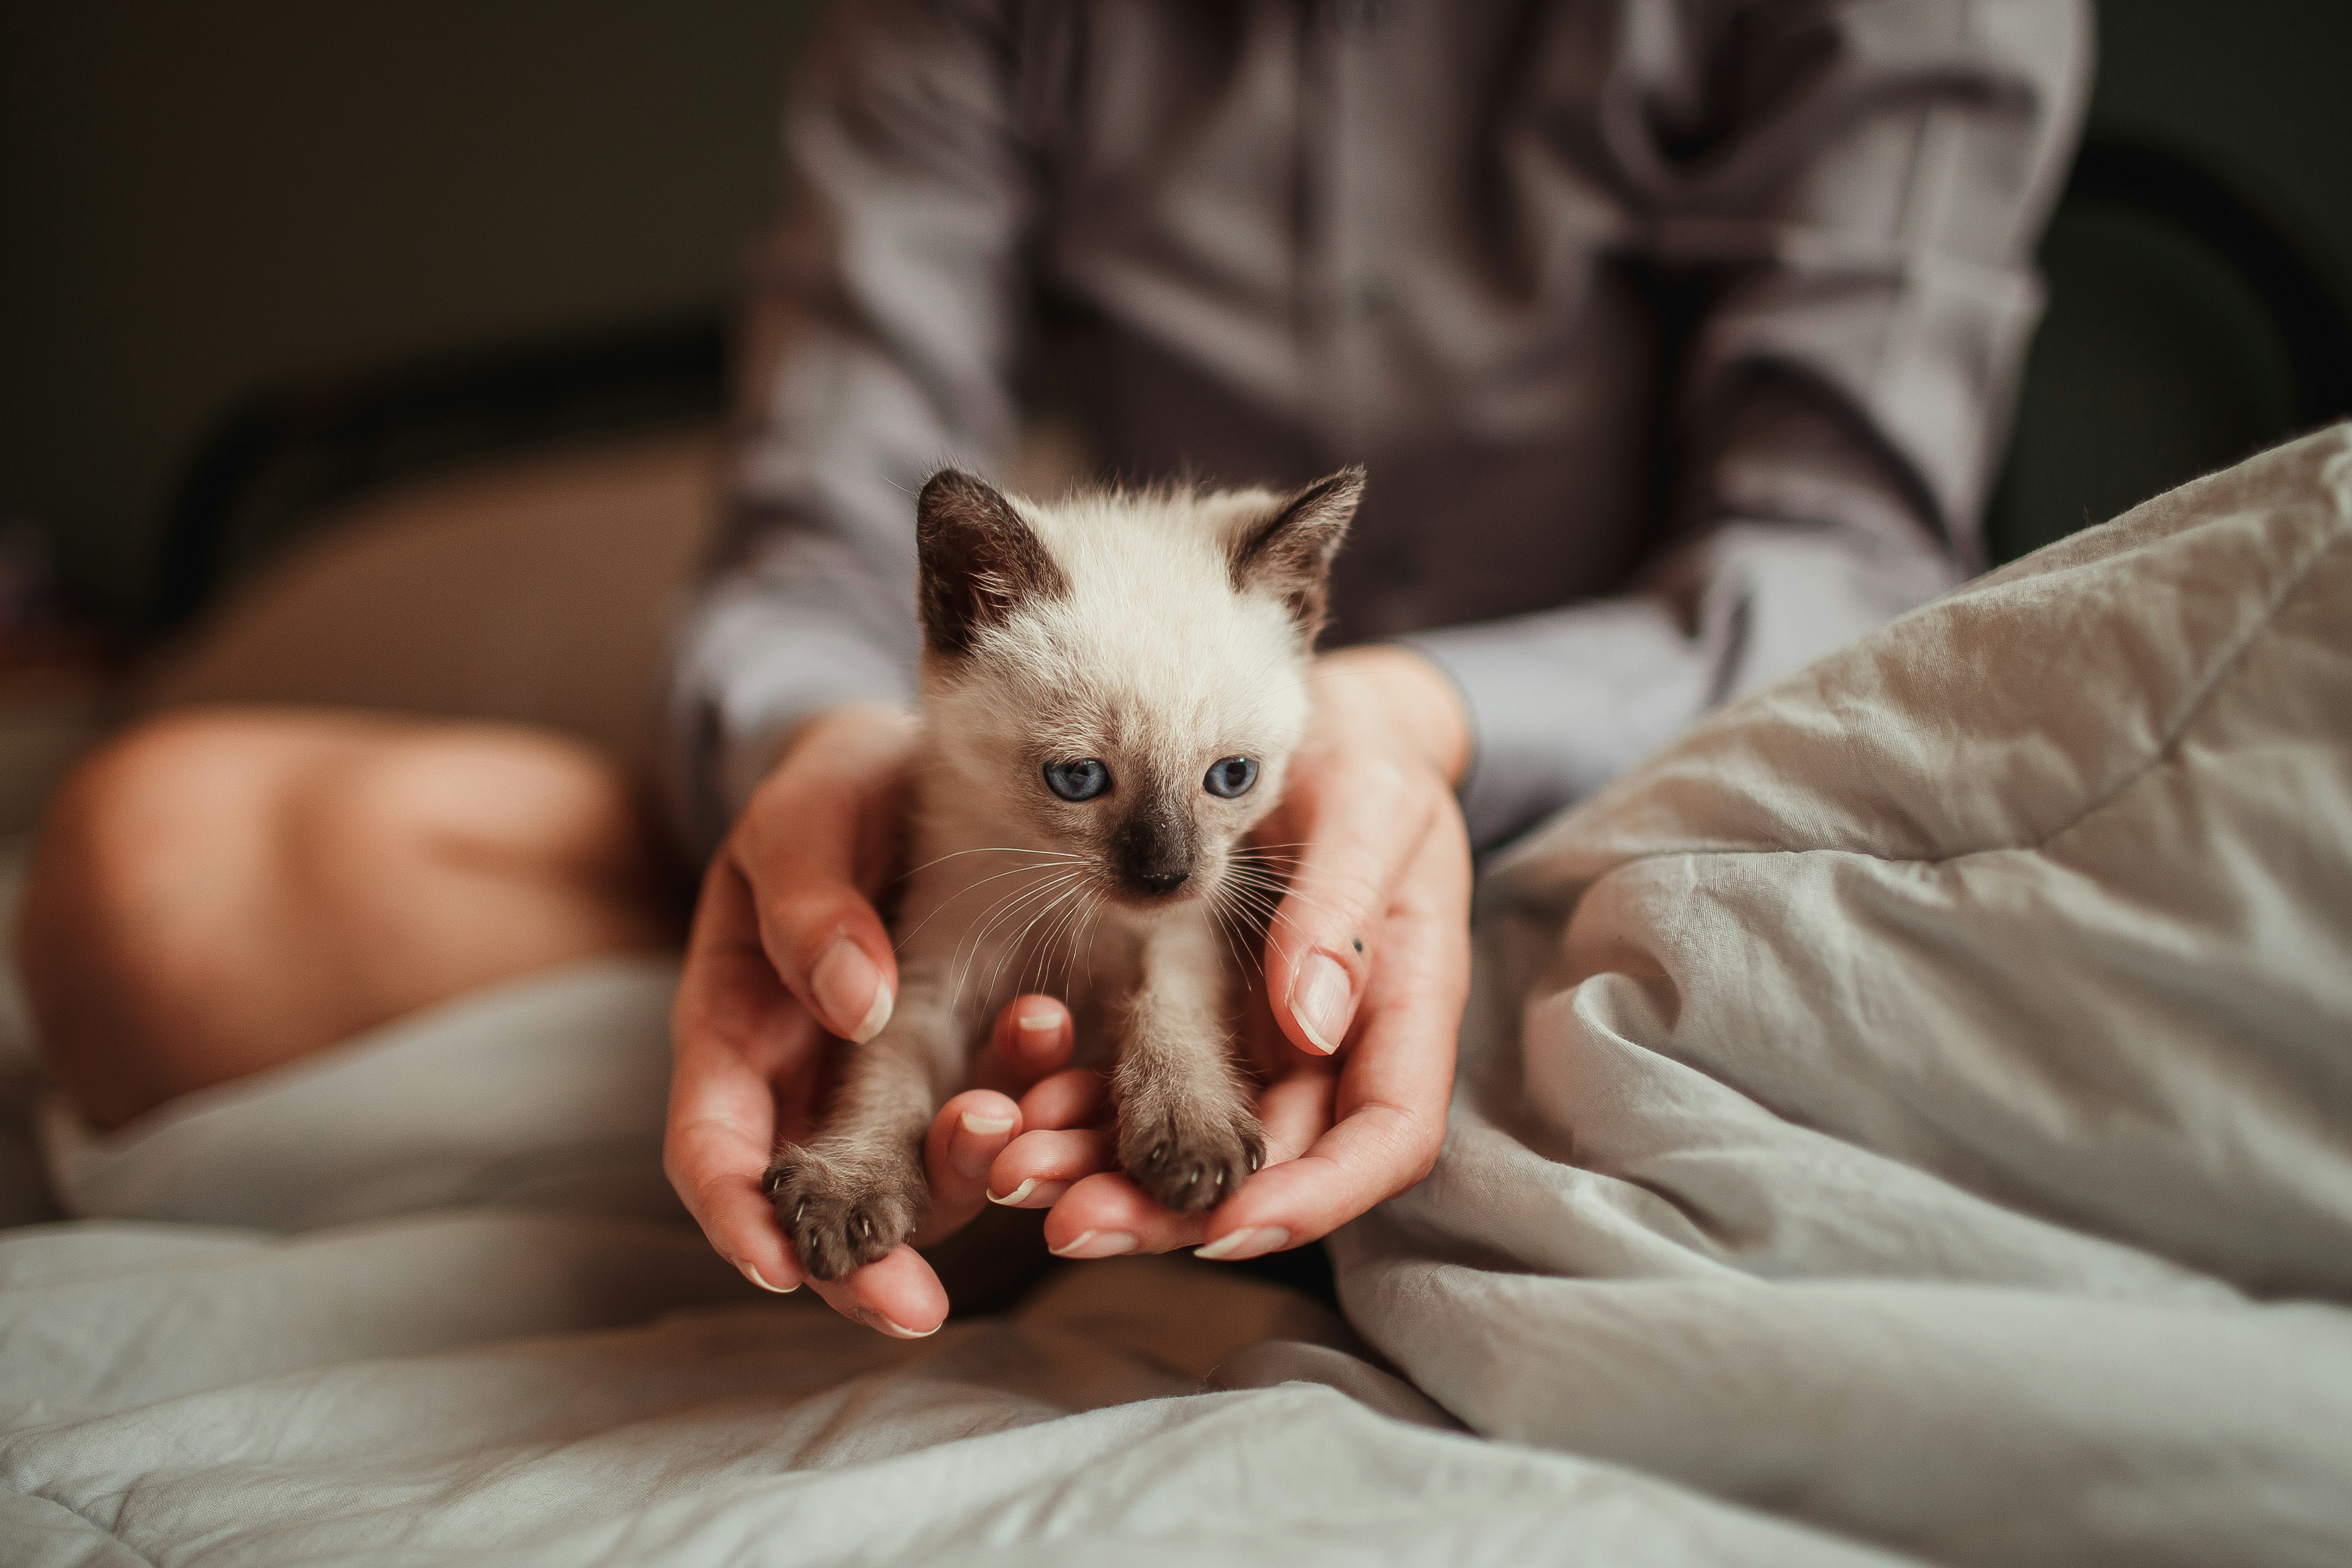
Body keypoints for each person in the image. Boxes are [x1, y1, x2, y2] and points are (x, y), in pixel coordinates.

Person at [18, 0, 2089, 1340]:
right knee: (154, 857)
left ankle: (1078, 1172)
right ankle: (976, 1154)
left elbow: (1856, 577)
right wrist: (828, 760)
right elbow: (824, 539)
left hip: (1591, 797)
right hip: (1023, 804)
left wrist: (1415, 721)